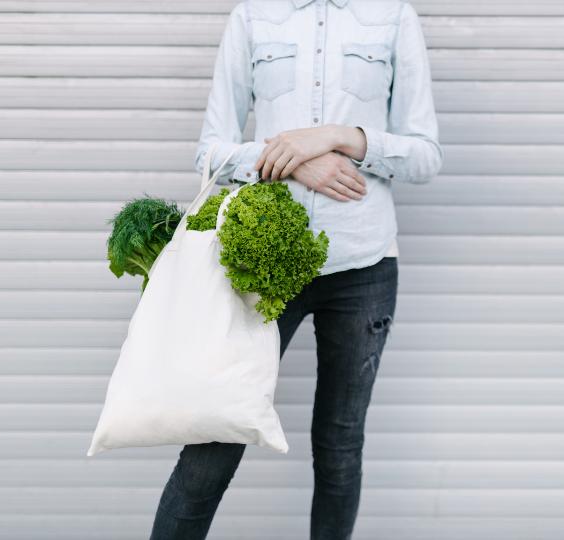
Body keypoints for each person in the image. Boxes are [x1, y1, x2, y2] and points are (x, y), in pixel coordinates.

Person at [149, 1, 442, 538]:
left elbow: (425, 156)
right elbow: (210, 151)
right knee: (214, 441)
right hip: (263, 267)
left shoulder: (392, 15)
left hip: (363, 267)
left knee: (339, 447)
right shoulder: (252, 17)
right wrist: (295, 159)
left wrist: (340, 135)